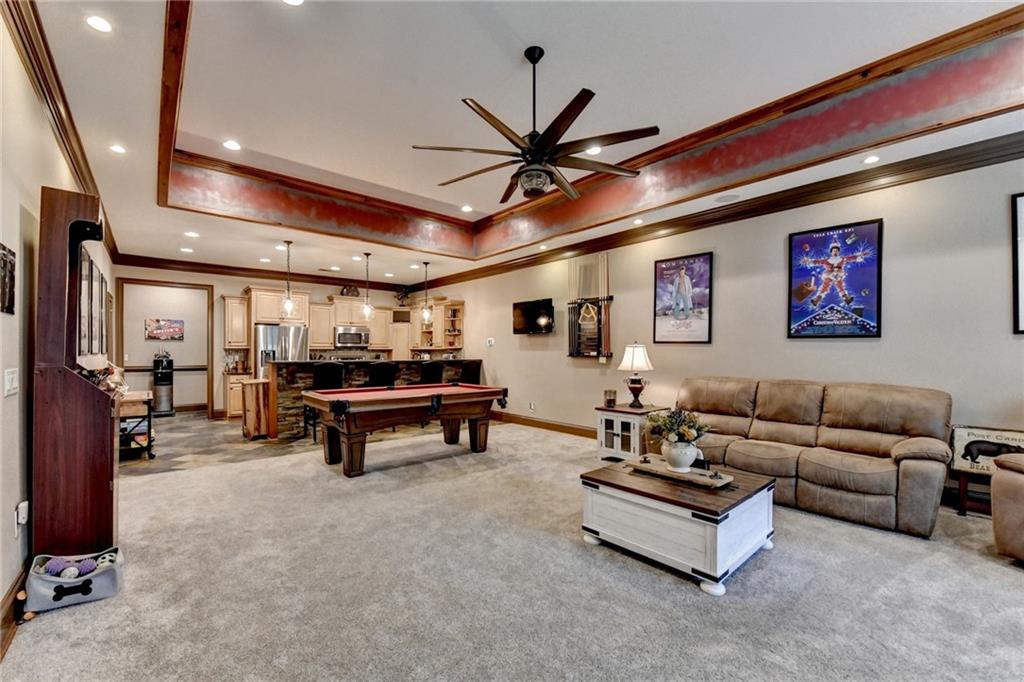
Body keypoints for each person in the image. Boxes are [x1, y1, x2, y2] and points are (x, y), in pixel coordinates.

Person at [801, 238, 868, 307]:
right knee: (825, 285)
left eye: (836, 251)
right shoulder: (826, 261)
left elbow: (852, 258)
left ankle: (846, 298)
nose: (835, 252)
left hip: (838, 274)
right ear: (831, 252)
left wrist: (861, 255)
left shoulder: (843, 259)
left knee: (840, 284)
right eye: (833, 251)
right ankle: (817, 299)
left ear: (839, 252)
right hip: (828, 275)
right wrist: (808, 261)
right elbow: (817, 262)